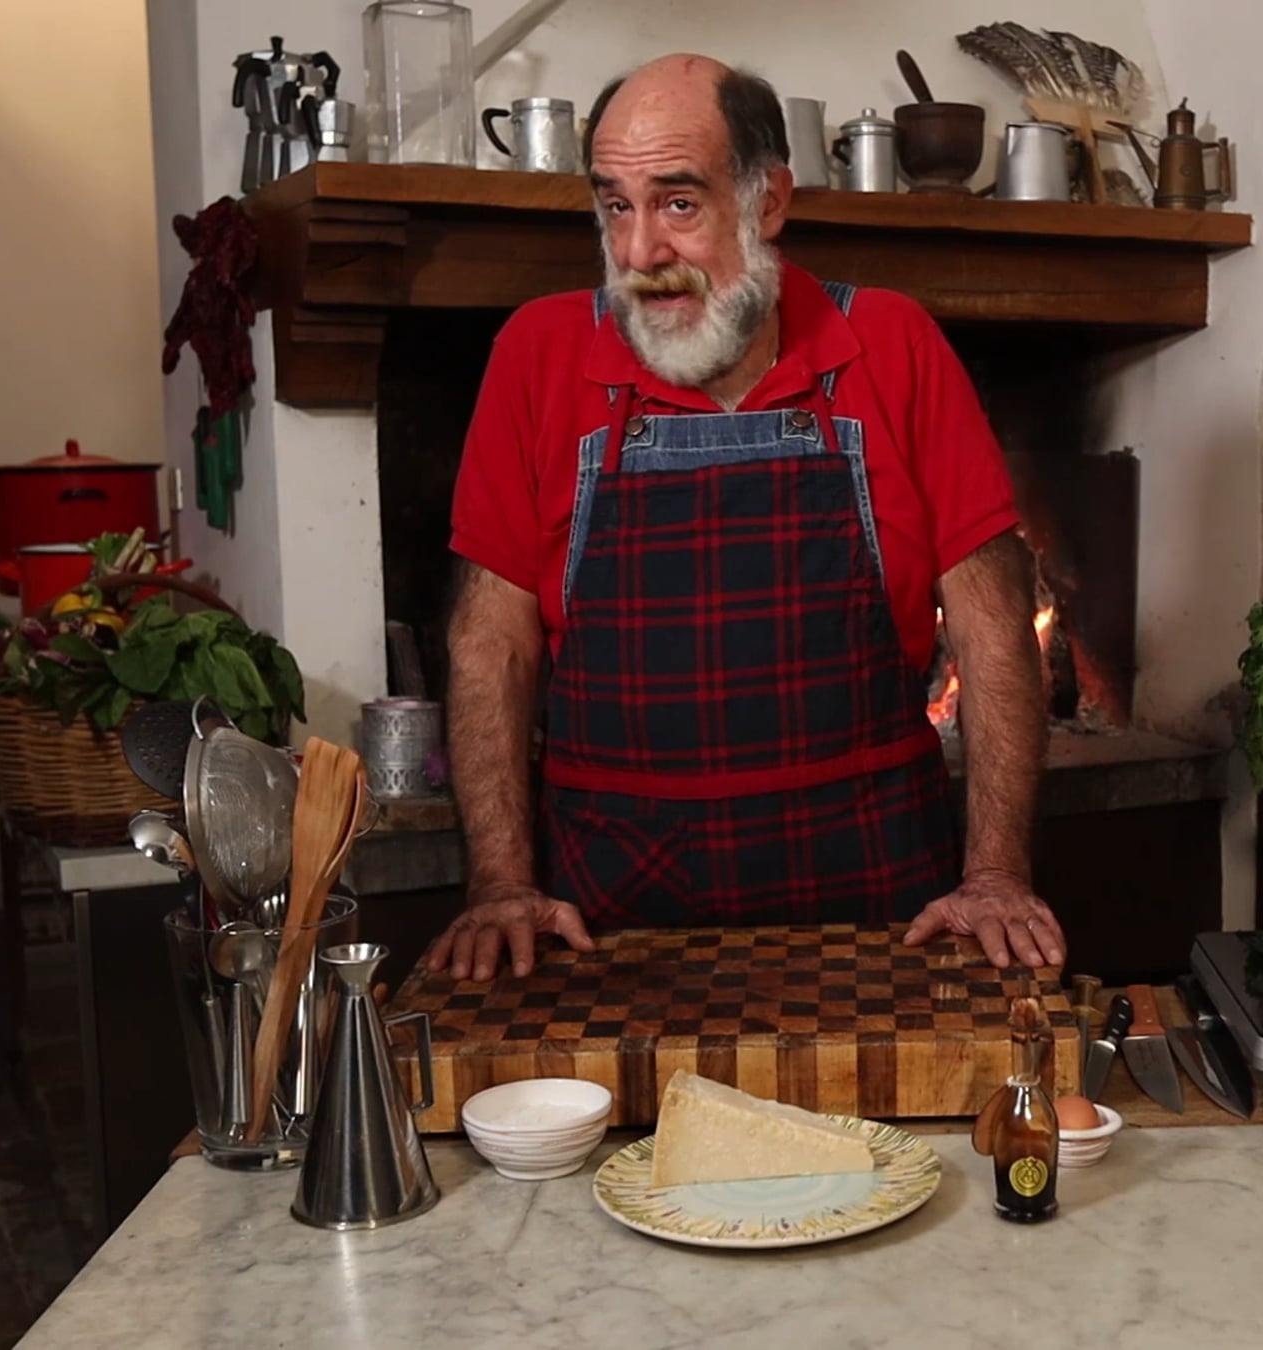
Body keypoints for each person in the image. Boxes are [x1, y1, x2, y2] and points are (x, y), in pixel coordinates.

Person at [422, 53, 1062, 980]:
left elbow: (995, 627)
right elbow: (491, 645)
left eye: (678, 203)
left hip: (875, 897)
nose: (639, 252)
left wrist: (996, 874)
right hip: (607, 910)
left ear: (768, 203)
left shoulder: (893, 345)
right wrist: (500, 884)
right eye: (615, 206)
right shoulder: (537, 355)